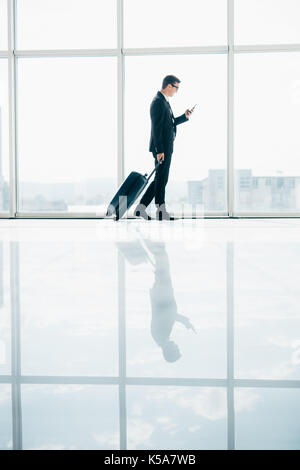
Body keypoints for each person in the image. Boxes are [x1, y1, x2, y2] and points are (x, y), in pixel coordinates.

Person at [134, 75, 195, 221]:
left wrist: (184, 117)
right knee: (162, 179)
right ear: (169, 86)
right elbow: (156, 128)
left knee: (160, 179)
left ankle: (141, 208)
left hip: (165, 147)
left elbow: (170, 123)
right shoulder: (158, 102)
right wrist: (160, 150)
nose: (177, 91)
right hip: (161, 148)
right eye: (176, 88)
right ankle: (160, 211)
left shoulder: (164, 102)